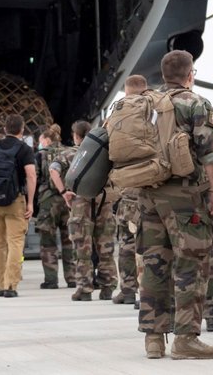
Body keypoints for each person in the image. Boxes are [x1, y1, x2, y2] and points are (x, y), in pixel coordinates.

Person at [139, 50, 213, 360]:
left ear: (164, 75)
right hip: (185, 198)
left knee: (155, 263)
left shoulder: (146, 104)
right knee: (191, 264)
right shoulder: (196, 103)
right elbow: (210, 155)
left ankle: (153, 339)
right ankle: (186, 339)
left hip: (148, 195)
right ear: (191, 74)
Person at [0, 114, 37, 297]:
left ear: (5, 129)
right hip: (15, 201)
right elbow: (31, 176)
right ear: (22, 129)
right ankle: (10, 286)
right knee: (15, 243)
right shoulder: (24, 149)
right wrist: (30, 203)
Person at [64, 120, 119, 301]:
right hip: (105, 202)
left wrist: (64, 192)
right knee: (106, 247)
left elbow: (57, 170)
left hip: (82, 204)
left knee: (82, 248)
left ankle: (84, 288)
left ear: (76, 136)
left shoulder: (74, 154)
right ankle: (108, 286)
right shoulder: (109, 153)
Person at [111, 74, 148, 306]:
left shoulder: (117, 114)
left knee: (125, 242)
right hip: (151, 188)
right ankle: (146, 292)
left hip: (126, 190)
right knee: (148, 244)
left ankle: (127, 290)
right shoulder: (156, 111)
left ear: (126, 91)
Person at [35, 123, 75, 289]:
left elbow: (35, 178)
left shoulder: (40, 155)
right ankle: (72, 278)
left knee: (48, 242)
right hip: (68, 200)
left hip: (47, 202)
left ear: (46, 140)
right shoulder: (70, 152)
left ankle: (51, 280)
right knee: (69, 241)